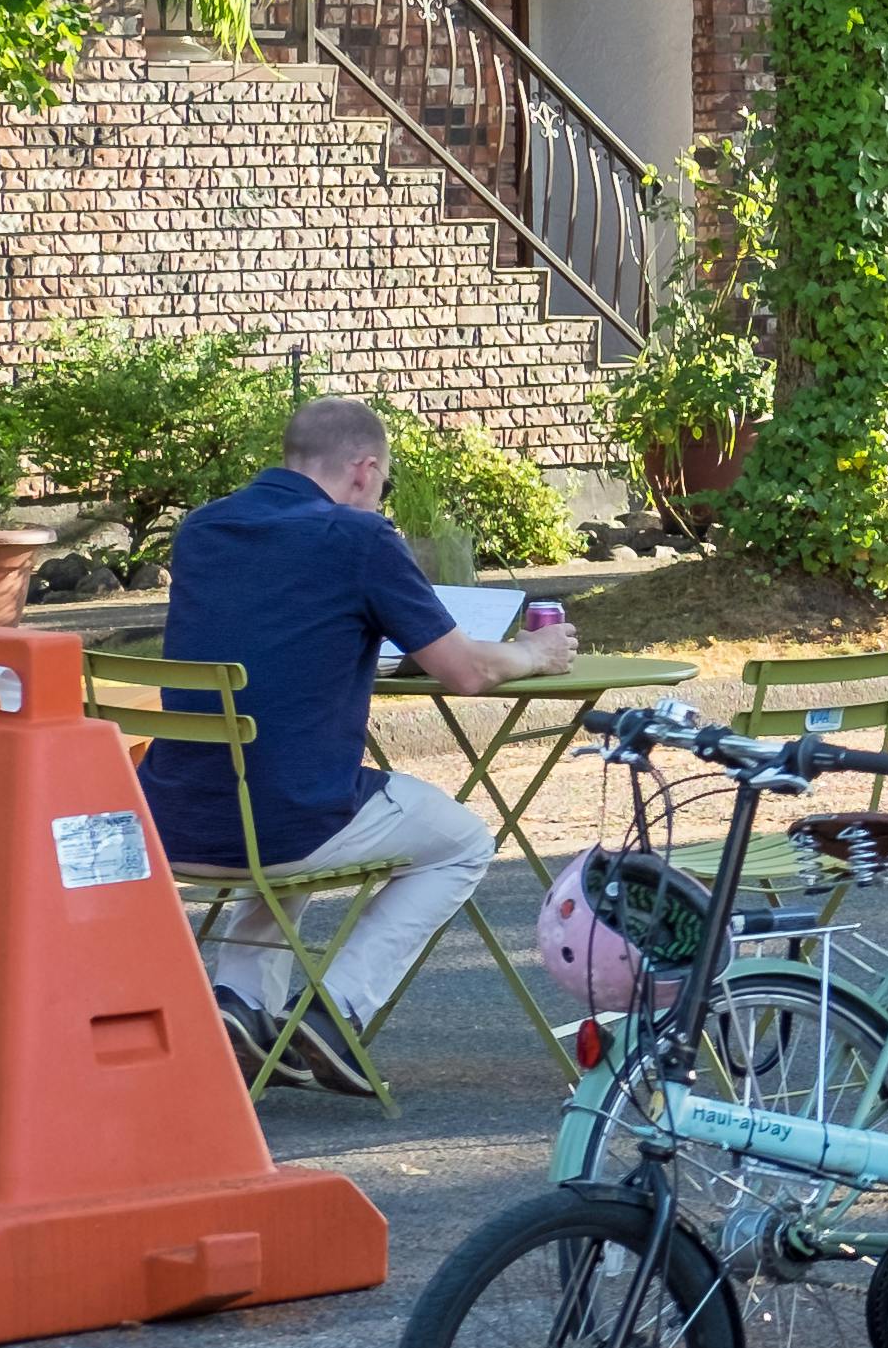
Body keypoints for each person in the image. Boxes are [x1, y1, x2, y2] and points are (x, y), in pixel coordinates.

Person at [143, 398, 577, 1095]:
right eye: (382, 484)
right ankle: (335, 1010)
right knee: (461, 840)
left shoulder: (203, 529)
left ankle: (242, 1003)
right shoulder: (358, 538)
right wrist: (532, 651)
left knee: (283, 790)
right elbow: (466, 671)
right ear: (364, 470)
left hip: (175, 816)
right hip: (283, 822)